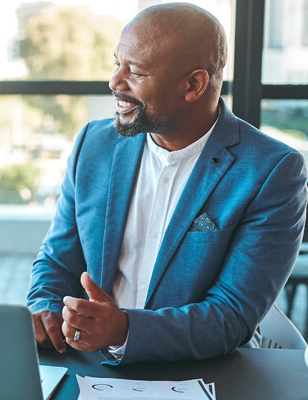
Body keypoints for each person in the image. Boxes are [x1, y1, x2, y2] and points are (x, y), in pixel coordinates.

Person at [27, 3, 308, 365]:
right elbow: (56, 260)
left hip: (200, 375)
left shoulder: (272, 172)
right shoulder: (93, 144)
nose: (115, 82)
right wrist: (45, 308)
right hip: (87, 364)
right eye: (117, 64)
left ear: (194, 85)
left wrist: (126, 330)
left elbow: (232, 315)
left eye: (136, 72)